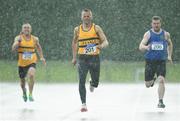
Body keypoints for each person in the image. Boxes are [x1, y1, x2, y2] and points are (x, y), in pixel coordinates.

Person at [72, 9, 109, 112]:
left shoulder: (96, 28)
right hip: (82, 58)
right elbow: (74, 43)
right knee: (81, 81)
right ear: (81, 17)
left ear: (91, 17)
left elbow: (106, 41)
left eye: (88, 16)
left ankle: (92, 83)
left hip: (94, 58)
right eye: (85, 16)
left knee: (96, 82)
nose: (86, 18)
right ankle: (83, 104)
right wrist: (74, 57)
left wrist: (101, 45)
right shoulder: (77, 30)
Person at [139, 16, 173, 108]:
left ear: (160, 24)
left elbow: (170, 44)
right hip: (150, 61)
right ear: (152, 24)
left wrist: (169, 55)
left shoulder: (166, 34)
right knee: (147, 84)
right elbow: (141, 46)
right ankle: (152, 80)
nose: (156, 25)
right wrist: (146, 47)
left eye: (157, 23)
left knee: (161, 80)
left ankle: (160, 101)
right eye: (154, 23)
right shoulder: (148, 34)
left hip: (161, 61)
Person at [12, 23, 46, 102]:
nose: (26, 29)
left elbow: (38, 47)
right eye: (25, 28)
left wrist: (41, 57)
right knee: (22, 82)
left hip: (32, 61)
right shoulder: (18, 38)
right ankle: (24, 92)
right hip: (21, 63)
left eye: (28, 28)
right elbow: (13, 49)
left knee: (31, 75)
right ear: (22, 30)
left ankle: (30, 94)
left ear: (31, 30)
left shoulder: (35, 39)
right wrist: (17, 43)